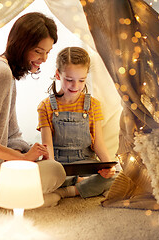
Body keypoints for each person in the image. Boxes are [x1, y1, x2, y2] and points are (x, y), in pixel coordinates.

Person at [0, 12, 66, 208]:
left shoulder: (6, 73)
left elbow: (12, 133)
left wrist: (29, 154)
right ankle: (31, 199)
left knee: (49, 167)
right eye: (39, 51)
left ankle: (25, 199)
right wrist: (23, 158)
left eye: (47, 52)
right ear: (21, 45)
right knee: (56, 172)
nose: (44, 59)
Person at [37, 47, 117, 199]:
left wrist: (108, 166)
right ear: (58, 75)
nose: (75, 86)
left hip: (86, 164)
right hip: (59, 166)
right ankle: (80, 185)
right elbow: (48, 150)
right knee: (37, 176)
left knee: (117, 177)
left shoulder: (93, 105)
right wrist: (53, 172)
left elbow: (98, 144)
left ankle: (68, 191)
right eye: (69, 80)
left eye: (81, 80)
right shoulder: (45, 106)